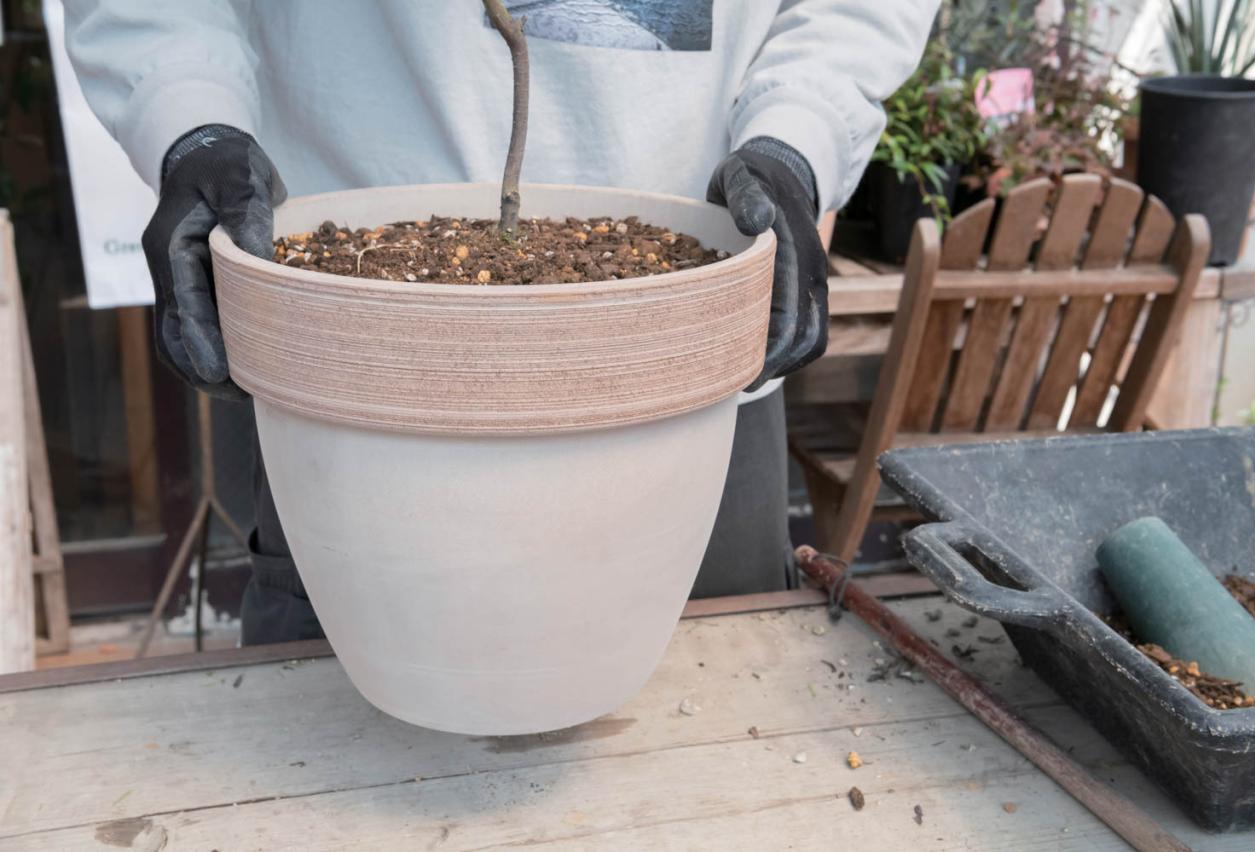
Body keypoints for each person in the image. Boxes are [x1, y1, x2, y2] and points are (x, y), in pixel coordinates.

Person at [66, 0, 938, 644]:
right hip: (360, 390)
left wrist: (796, 138)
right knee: (340, 763)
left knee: (713, 731)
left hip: (695, 379)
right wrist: (187, 120)